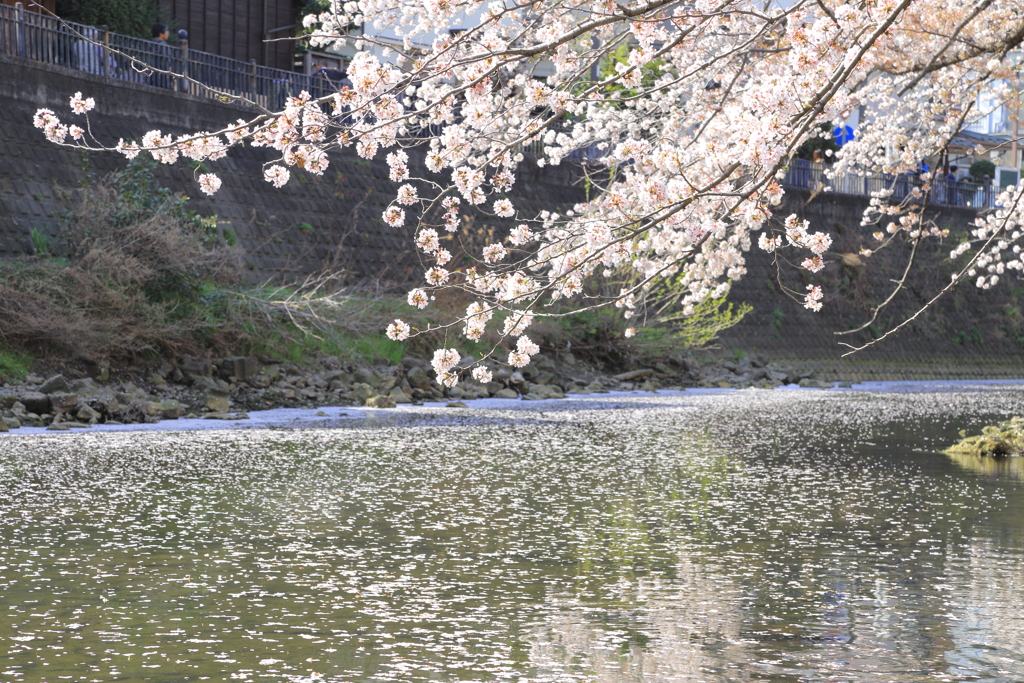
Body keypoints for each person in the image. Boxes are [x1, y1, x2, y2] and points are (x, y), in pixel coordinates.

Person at [149, 22, 172, 89]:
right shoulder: (163, 45)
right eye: (166, 31)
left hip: (151, 73)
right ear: (161, 33)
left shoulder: (150, 43)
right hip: (162, 74)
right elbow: (166, 60)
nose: (168, 33)